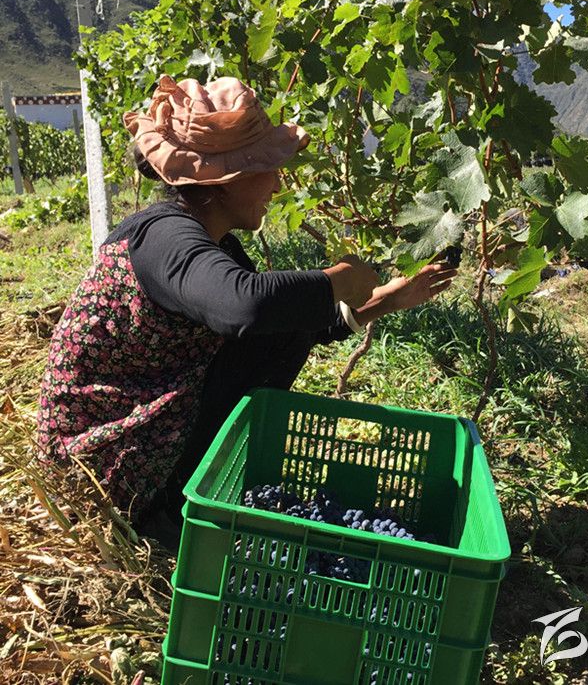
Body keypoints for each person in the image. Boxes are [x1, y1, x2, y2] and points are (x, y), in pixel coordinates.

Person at [35, 75, 456, 542]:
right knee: (268, 319)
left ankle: (181, 498)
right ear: (224, 181)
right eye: (266, 168)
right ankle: (167, 512)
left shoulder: (210, 244)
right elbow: (247, 308)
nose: (277, 184)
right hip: (100, 463)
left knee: (278, 322)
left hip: (137, 433)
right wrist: (337, 279)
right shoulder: (165, 237)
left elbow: (281, 323)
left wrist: (390, 298)